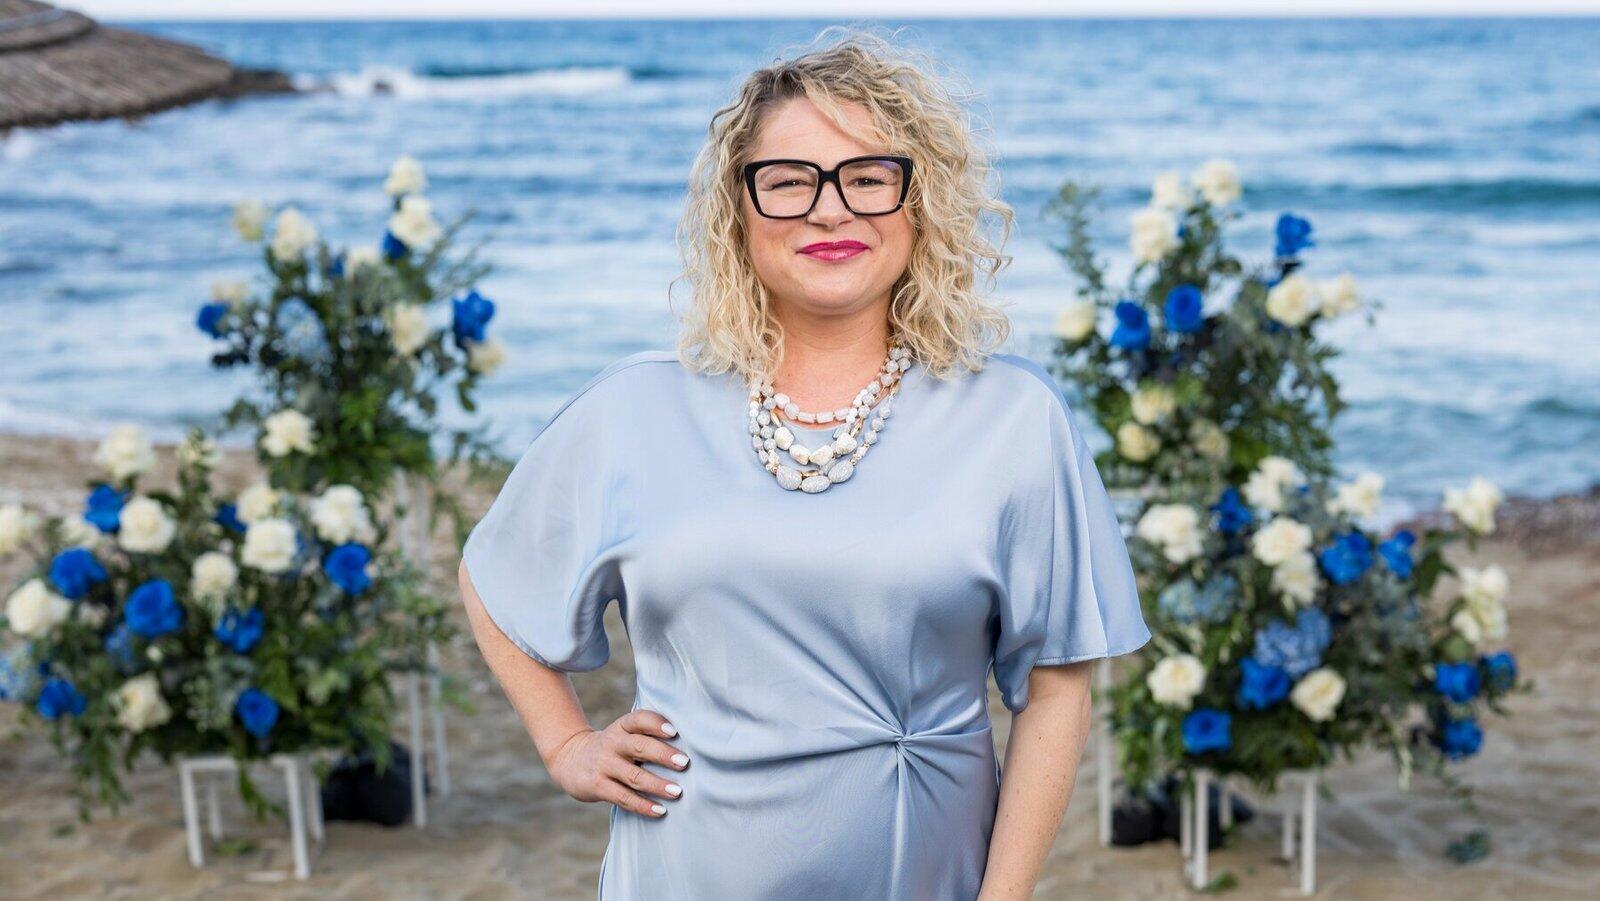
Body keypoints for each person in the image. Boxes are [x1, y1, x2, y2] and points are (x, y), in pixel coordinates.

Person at [457, 27, 1151, 900]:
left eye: (868, 177)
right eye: (788, 181)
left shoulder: (1015, 418)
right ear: (738, 210)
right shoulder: (633, 408)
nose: (830, 210)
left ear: (919, 202)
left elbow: (1055, 690)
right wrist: (567, 743)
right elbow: (493, 576)